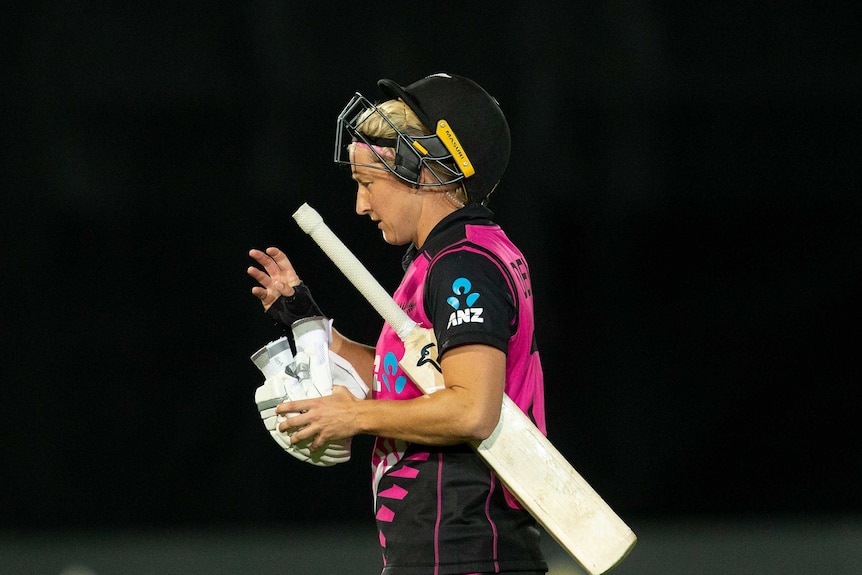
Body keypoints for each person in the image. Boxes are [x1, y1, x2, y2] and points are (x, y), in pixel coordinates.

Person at [247, 73, 548, 575]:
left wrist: (353, 417)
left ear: (424, 172)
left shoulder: (463, 265)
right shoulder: (445, 259)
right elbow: (411, 380)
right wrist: (308, 322)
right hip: (442, 549)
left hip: (465, 550)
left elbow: (473, 409)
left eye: (367, 183)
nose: (361, 206)